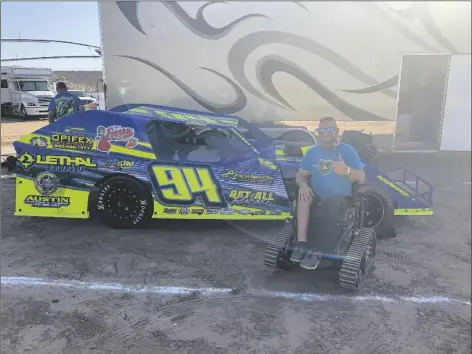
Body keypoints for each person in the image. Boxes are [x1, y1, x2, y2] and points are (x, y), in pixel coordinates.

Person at [291, 116, 366, 270]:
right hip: (318, 195)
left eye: (330, 130)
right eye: (322, 130)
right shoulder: (312, 152)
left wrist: (346, 170)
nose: (326, 133)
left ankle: (319, 251)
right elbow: (301, 174)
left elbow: (362, 177)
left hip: (341, 197)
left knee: (331, 204)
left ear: (337, 131)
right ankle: (301, 244)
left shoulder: (347, 150)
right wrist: (304, 184)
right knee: (303, 195)